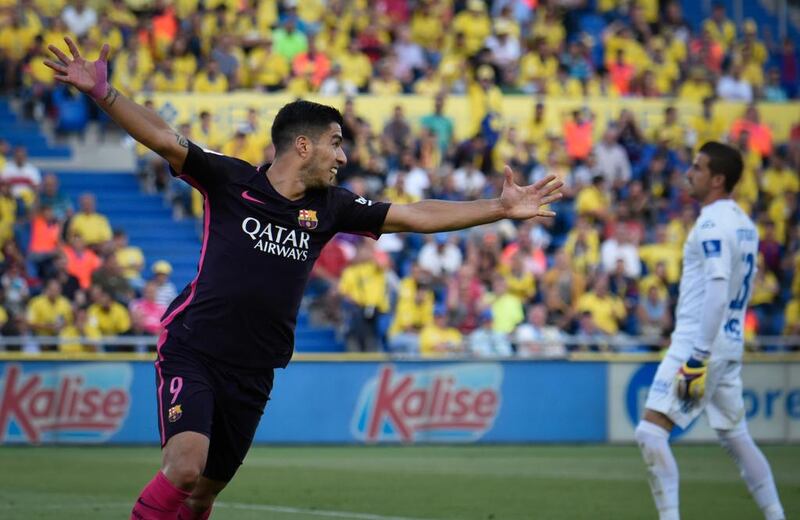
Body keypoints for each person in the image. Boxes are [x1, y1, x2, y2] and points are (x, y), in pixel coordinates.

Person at [44, 38, 562, 520]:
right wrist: (105, 93)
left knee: (205, 491)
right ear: (303, 146)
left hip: (254, 369)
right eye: (336, 143)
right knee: (184, 466)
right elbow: (162, 137)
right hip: (194, 347)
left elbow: (415, 215)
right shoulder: (232, 179)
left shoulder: (332, 207)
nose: (343, 156)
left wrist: (498, 207)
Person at [634, 142, 784, 520]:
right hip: (731, 340)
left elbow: (718, 285)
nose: (689, 172)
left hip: (700, 342)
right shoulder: (745, 225)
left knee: (650, 433)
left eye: (698, 168)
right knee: (736, 436)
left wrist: (698, 354)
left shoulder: (712, 223)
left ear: (718, 179)